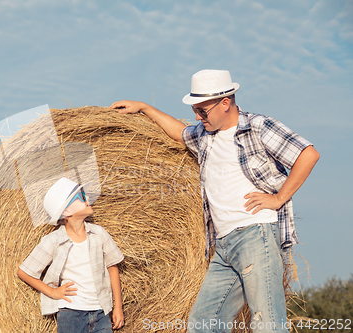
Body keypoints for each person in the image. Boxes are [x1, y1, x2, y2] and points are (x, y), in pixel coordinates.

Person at [111, 69, 320, 332]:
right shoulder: (205, 135)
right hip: (223, 245)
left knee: (266, 322)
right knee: (203, 323)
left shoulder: (257, 126)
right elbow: (180, 132)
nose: (197, 117)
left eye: (202, 111)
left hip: (255, 235)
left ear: (225, 102)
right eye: (195, 110)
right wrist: (144, 108)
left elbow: (308, 154)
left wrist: (278, 198)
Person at [17, 177, 125, 333]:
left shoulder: (98, 233)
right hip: (70, 313)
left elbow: (112, 268)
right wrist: (52, 292)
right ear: (66, 211)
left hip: (101, 311)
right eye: (81, 196)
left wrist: (118, 307)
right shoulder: (53, 241)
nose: (87, 198)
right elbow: (24, 272)